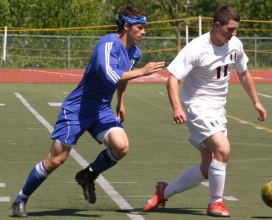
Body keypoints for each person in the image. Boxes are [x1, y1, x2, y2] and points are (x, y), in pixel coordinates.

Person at [11, 4, 165, 217]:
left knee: (121, 146)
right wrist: (144, 71)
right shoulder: (107, 44)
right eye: (140, 27)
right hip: (77, 109)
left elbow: (123, 78)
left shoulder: (134, 52)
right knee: (56, 159)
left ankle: (87, 175)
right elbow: (110, 75)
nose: (144, 31)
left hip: (101, 109)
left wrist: (121, 102)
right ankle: (21, 199)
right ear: (127, 26)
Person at [143, 5, 267, 217]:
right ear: (216, 25)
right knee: (223, 149)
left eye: (236, 29)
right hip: (197, 107)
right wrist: (177, 107)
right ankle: (216, 203)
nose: (234, 33)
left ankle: (165, 191)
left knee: (209, 167)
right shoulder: (197, 47)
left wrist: (256, 102)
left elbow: (244, 73)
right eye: (230, 29)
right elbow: (172, 78)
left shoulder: (235, 44)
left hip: (218, 110)